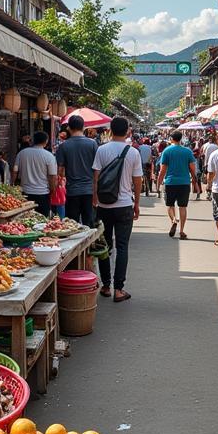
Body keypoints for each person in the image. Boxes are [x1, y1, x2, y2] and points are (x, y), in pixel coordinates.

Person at [92, 116, 142, 302]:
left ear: (110, 130)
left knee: (105, 246)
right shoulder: (133, 153)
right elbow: (137, 181)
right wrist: (136, 203)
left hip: (104, 205)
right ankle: (119, 289)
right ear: (128, 131)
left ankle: (105, 285)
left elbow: (95, 178)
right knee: (122, 247)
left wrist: (94, 200)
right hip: (124, 205)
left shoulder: (101, 150)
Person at [57, 114, 99, 227]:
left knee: (72, 225)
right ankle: (90, 245)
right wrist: (96, 193)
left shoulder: (63, 146)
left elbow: (60, 171)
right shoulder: (93, 144)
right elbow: (97, 170)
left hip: (72, 191)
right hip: (89, 191)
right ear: (83, 127)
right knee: (89, 224)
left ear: (69, 128)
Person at [157, 130, 197, 238]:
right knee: (183, 207)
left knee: (170, 205)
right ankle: (182, 230)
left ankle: (174, 220)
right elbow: (193, 168)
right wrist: (195, 181)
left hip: (170, 182)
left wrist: (158, 183)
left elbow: (162, 170)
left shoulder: (166, 151)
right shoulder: (187, 151)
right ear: (181, 139)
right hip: (184, 182)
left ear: (171, 139)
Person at [13, 132, 58, 215]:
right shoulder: (49, 156)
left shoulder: (22, 153)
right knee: (42, 221)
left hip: (25, 193)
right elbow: (52, 176)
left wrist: (12, 186)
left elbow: (15, 171)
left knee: (25, 220)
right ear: (46, 141)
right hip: (43, 194)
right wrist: (52, 190)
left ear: (33, 140)